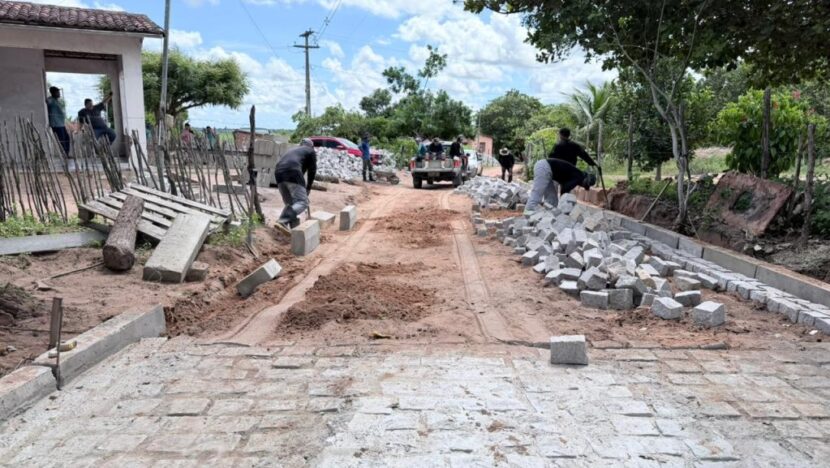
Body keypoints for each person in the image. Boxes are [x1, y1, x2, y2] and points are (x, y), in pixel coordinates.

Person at [274, 138, 317, 233]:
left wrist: (302, 185)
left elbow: (302, 170)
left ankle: (295, 231)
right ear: (311, 146)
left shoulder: (294, 150)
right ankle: (282, 220)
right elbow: (312, 171)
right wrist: (308, 187)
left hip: (278, 173)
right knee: (303, 202)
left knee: (291, 205)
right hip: (292, 171)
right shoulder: (311, 151)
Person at [526, 158, 597, 213]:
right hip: (544, 168)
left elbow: (565, 187)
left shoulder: (578, 175)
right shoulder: (578, 177)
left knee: (552, 200)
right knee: (537, 194)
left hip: (546, 169)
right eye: (585, 184)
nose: (583, 186)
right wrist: (565, 206)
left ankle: (548, 218)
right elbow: (565, 189)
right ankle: (527, 213)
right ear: (585, 179)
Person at [46, 87, 70, 155]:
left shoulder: (56, 101)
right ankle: (64, 155)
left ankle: (66, 154)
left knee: (66, 138)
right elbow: (47, 101)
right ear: (53, 93)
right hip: (56, 124)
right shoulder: (51, 100)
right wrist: (48, 99)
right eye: (57, 92)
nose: (59, 93)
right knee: (62, 140)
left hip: (61, 124)